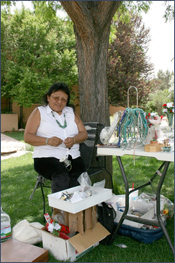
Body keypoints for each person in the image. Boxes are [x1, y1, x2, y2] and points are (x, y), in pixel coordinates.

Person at [24, 82, 88, 193]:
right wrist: (47, 141)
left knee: (78, 180)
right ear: (48, 97)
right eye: (56, 98)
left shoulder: (71, 112)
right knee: (61, 176)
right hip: (46, 157)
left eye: (64, 99)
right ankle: (59, 210)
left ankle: (76, 209)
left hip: (73, 156)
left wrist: (74, 140)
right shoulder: (39, 112)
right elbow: (28, 137)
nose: (59, 102)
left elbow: (83, 133)